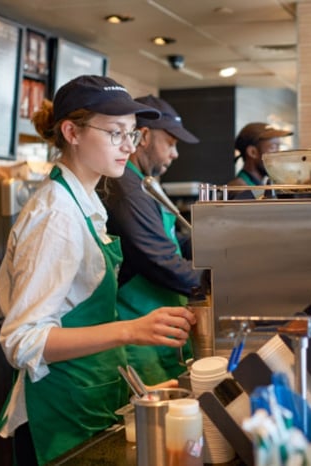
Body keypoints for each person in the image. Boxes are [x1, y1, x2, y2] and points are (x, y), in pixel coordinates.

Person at [0, 75, 197, 465]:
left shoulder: (86, 200)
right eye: (115, 133)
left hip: (91, 392)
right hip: (61, 406)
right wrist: (132, 330)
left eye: (133, 134)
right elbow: (23, 341)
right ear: (71, 132)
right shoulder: (55, 215)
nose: (128, 146)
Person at [99, 95, 208, 385]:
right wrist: (216, 277)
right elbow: (160, 260)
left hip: (159, 330)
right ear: (144, 137)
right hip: (139, 338)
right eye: (170, 143)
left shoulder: (143, 183)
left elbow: (173, 241)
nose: (175, 154)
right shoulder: (126, 190)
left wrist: (217, 244)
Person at [228, 122, 293, 198]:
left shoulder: (258, 187)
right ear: (253, 152)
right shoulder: (240, 190)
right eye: (273, 148)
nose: (278, 155)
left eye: (278, 148)